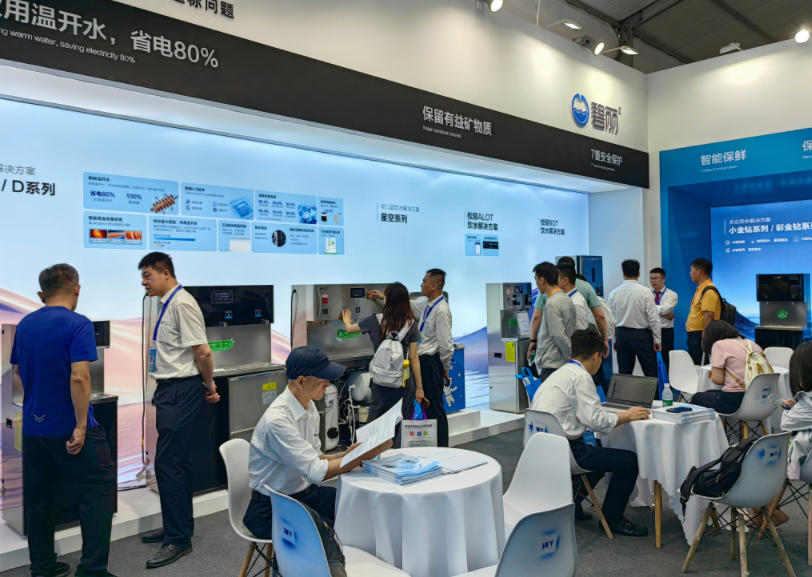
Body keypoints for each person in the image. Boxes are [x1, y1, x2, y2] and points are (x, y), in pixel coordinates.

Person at [11, 264, 117, 577]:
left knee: (40, 499)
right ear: (77, 289)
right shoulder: (78, 323)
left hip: (34, 429)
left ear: (41, 294)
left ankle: (43, 566)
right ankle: (92, 570)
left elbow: (17, 371)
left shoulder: (25, 324)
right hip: (70, 428)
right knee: (97, 494)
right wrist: (81, 427)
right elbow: (80, 377)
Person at [244, 346, 392, 538]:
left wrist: (346, 454)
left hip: (303, 495)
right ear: (301, 381)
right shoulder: (278, 421)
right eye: (323, 380)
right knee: (335, 532)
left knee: (359, 506)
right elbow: (317, 472)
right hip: (272, 508)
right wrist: (359, 456)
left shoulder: (309, 407)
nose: (328, 385)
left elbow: (315, 457)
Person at [137, 252, 220, 568]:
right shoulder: (167, 304)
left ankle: (178, 539)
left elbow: (203, 351)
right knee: (178, 461)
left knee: (168, 463)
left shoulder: (182, 303)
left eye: (148, 275)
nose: (144, 282)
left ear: (165, 273)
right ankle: (179, 526)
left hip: (180, 390)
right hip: (171, 390)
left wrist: (209, 386)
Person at [531, 329, 650, 536]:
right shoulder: (581, 377)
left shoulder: (560, 373)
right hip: (566, 450)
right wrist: (627, 415)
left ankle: (572, 502)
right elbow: (597, 422)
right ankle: (613, 519)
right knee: (629, 462)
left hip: (541, 447)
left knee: (600, 450)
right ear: (596, 356)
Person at [340, 281, 423, 425]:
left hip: (380, 381)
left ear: (387, 299)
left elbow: (350, 329)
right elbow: (414, 358)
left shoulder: (373, 320)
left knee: (376, 421)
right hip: (404, 381)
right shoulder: (411, 324)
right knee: (402, 422)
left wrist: (346, 320)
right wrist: (420, 388)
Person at [529, 257, 610, 362]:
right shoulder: (578, 291)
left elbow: (563, 334)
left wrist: (572, 358)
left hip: (560, 357)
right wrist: (604, 338)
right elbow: (599, 315)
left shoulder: (563, 301)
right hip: (566, 354)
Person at [691, 321, 764, 414]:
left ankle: (703, 424)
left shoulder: (719, 345)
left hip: (735, 401)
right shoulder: (753, 344)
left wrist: (714, 371)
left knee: (697, 398)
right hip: (760, 399)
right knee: (710, 392)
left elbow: (718, 380)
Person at [608, 259, 661, 378]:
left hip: (622, 335)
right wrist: (657, 340)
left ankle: (625, 391)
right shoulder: (645, 292)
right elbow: (653, 318)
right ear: (638, 274)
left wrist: (615, 339)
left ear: (623, 273)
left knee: (624, 373)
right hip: (642, 335)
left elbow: (611, 319)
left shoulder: (613, 293)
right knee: (651, 372)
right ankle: (653, 391)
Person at [531, 262, 575, 381]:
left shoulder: (551, 303)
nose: (536, 284)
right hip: (563, 364)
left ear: (542, 280)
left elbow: (558, 336)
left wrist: (570, 358)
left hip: (553, 365)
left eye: (536, 280)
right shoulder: (567, 299)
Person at [686, 258, 721, 365]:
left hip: (700, 335)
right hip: (695, 336)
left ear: (699, 271)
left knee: (702, 366)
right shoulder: (701, 289)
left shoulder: (709, 290)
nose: (690, 273)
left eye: (691, 270)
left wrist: (704, 339)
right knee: (696, 365)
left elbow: (709, 316)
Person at [649, 268, 678, 375]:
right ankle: (654, 385)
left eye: (656, 278)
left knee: (666, 360)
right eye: (651, 278)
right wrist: (663, 314)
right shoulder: (646, 293)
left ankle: (666, 384)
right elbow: (641, 310)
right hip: (649, 331)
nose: (653, 281)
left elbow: (666, 309)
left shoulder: (671, 294)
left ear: (664, 279)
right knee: (650, 362)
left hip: (665, 332)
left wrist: (650, 308)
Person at [559, 265, 589, 331]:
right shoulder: (568, 299)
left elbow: (580, 333)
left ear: (565, 280)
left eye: (556, 278)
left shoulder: (575, 303)